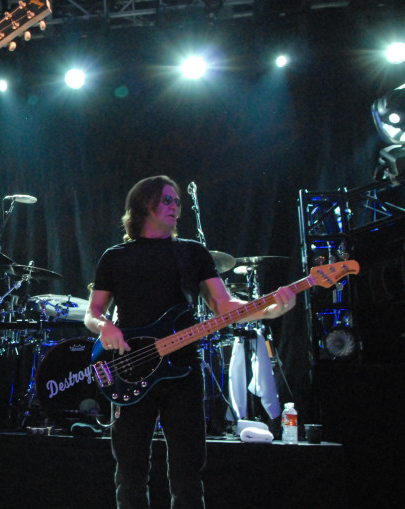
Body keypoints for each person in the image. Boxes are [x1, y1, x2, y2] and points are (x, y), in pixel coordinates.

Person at [83, 176, 295, 509]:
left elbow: (223, 306)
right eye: (167, 199)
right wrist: (104, 326)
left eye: (178, 201)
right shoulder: (115, 257)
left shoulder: (192, 252)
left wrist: (269, 310)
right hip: (130, 367)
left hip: (182, 369)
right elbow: (93, 312)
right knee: (130, 471)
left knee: (187, 472)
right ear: (143, 204)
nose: (176, 207)